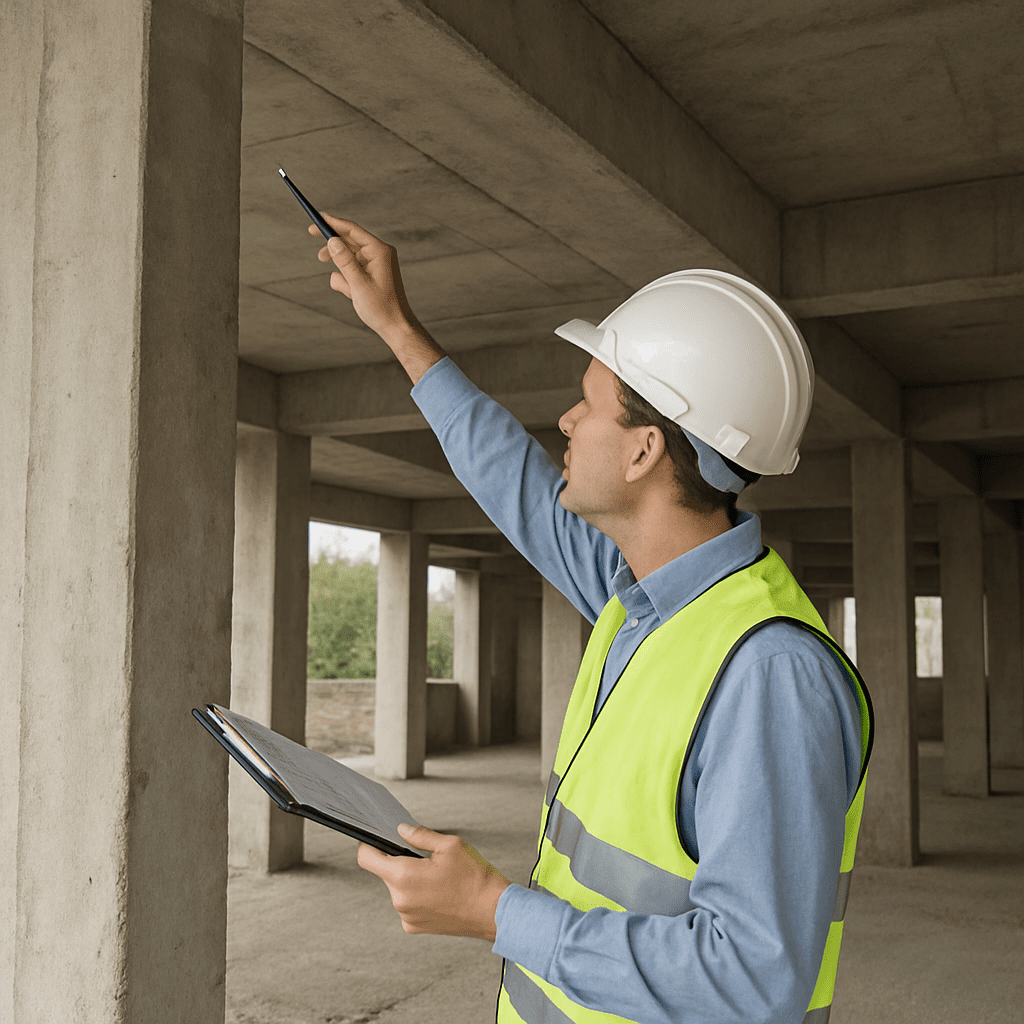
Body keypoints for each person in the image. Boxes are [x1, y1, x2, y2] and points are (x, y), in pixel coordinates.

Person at [308, 215, 874, 1024]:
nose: (567, 423)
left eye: (588, 404)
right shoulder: (638, 600)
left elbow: (754, 980)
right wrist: (398, 328)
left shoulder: (768, 673)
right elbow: (514, 483)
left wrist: (496, 912)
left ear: (644, 451)